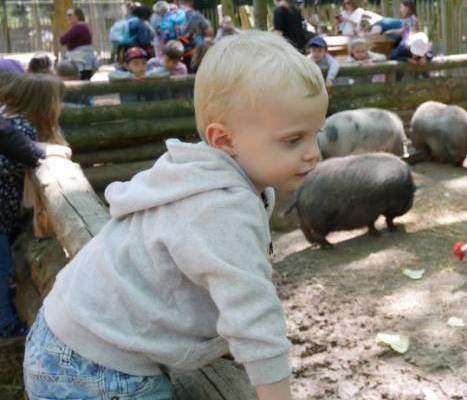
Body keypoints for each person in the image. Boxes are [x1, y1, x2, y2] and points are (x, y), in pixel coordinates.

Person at [22, 30, 325, 399]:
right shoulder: (221, 206)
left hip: (68, 338)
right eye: (294, 140)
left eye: (316, 133)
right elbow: (255, 319)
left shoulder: (196, 171)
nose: (313, 154)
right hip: (98, 369)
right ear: (225, 139)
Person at [0, 74, 70, 338]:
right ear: (45, 104)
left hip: (4, 216)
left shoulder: (12, 123)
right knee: (1, 268)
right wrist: (45, 151)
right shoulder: (21, 129)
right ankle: (6, 325)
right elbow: (21, 150)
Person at [60, 8, 99, 80]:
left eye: (70, 15)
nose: (68, 17)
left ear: (77, 16)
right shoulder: (84, 26)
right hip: (85, 59)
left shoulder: (79, 27)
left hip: (79, 60)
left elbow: (63, 40)